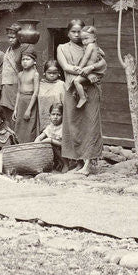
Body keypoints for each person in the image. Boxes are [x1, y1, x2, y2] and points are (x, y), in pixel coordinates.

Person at [57, 19, 105, 176]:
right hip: (72, 89)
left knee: (90, 125)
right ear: (68, 33)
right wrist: (83, 72)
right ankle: (77, 161)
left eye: (80, 32)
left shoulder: (90, 46)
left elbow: (103, 63)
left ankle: (90, 163)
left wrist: (91, 69)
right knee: (73, 125)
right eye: (73, 32)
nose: (77, 35)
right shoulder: (62, 48)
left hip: (90, 90)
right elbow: (65, 67)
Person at [70, 26, 107, 108]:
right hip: (93, 71)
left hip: (91, 71)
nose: (84, 41)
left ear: (94, 38)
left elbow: (86, 58)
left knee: (76, 81)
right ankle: (82, 94)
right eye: (82, 39)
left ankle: (83, 98)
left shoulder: (90, 46)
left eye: (86, 38)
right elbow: (103, 54)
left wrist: (80, 67)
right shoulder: (95, 46)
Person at [12, 46, 40, 143]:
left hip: (30, 102)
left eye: (28, 59)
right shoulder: (20, 74)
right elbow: (19, 92)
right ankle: (19, 145)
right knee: (19, 125)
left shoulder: (35, 74)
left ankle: (29, 146)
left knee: (30, 125)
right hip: (21, 102)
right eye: (23, 59)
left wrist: (29, 109)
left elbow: (35, 92)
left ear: (34, 61)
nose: (25, 61)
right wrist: (15, 109)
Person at [0, 23, 22, 124]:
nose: (11, 40)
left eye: (13, 37)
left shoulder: (21, 50)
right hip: (6, 85)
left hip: (16, 84)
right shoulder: (9, 50)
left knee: (14, 111)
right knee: (6, 111)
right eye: (9, 38)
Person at [36, 60, 65, 134]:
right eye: (49, 73)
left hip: (57, 117)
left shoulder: (61, 85)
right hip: (41, 117)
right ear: (44, 73)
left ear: (58, 73)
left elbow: (65, 104)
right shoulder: (40, 85)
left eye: (54, 73)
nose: (52, 75)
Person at [36, 102, 65, 171]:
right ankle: (54, 163)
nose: (55, 117)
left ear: (63, 116)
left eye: (58, 115)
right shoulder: (49, 127)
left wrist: (50, 140)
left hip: (63, 152)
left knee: (53, 145)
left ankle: (65, 164)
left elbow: (64, 144)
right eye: (53, 114)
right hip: (55, 154)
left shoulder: (63, 127)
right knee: (46, 145)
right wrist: (36, 143)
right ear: (49, 116)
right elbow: (40, 137)